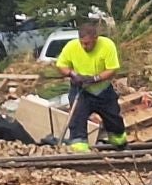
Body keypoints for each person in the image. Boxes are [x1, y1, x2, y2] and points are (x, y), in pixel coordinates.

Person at [54, 18, 126, 152]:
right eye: (82, 43)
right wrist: (73, 74)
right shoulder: (72, 47)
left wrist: (95, 78)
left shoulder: (107, 45)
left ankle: (119, 141)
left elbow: (112, 69)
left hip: (102, 90)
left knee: (114, 119)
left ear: (96, 38)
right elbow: (61, 65)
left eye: (87, 44)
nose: (84, 47)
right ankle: (79, 147)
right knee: (77, 117)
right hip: (81, 90)